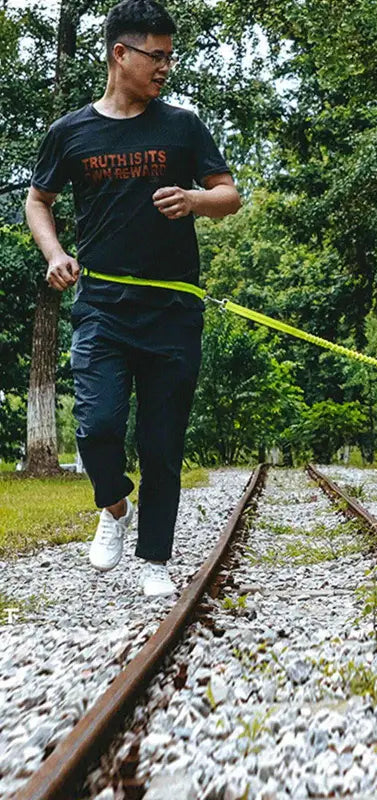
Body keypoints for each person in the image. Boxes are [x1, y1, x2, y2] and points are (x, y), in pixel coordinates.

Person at [25, 0, 241, 596]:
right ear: (121, 53)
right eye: (157, 55)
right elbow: (37, 200)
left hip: (173, 311)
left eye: (171, 56)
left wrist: (196, 200)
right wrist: (55, 254)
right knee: (95, 426)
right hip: (102, 308)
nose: (167, 66)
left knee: (162, 441)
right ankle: (114, 507)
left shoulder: (182, 126)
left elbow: (230, 194)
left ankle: (154, 563)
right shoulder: (70, 132)